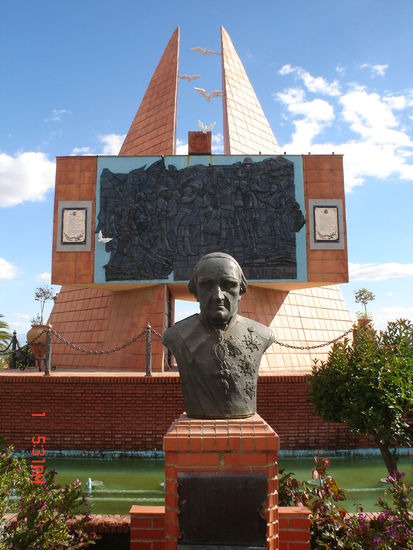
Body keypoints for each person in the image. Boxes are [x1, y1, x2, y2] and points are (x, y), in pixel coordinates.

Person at [162, 252, 275, 418]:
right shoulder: (176, 336)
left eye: (229, 285)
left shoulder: (262, 334)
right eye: (207, 286)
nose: (218, 296)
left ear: (241, 289)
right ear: (195, 290)